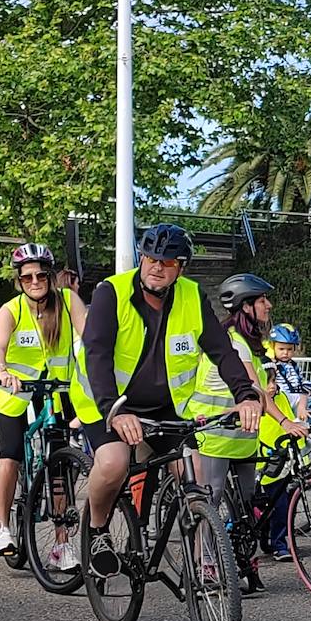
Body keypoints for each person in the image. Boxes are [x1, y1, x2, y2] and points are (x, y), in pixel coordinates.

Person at [70, 223, 262, 578]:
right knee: (113, 464)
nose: (157, 266)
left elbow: (222, 351)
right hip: (108, 401)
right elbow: (97, 354)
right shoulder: (111, 293)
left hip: (165, 408)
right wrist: (116, 411)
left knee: (196, 479)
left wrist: (246, 394)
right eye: (150, 258)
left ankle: (203, 563)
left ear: (181, 267)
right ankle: (97, 532)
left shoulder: (191, 296)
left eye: (168, 261)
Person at [191, 273, 307, 596]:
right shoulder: (232, 340)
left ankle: (244, 561)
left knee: (246, 507)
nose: (268, 305)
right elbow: (255, 388)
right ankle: (206, 564)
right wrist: (286, 422)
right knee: (211, 502)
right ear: (244, 307)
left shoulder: (254, 343)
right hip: (215, 433)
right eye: (261, 300)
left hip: (243, 436)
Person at [0, 244, 87, 560]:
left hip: (57, 391)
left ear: (51, 276)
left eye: (41, 274)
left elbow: (90, 338)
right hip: (14, 393)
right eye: (27, 276)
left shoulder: (68, 302)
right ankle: (2, 527)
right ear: (19, 280)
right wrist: (4, 373)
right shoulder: (11, 310)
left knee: (59, 466)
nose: (35, 281)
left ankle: (61, 544)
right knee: (11, 454)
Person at [268, 323, 311, 421]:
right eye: (281, 349)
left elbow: (301, 381)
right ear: (272, 347)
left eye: (289, 349)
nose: (285, 353)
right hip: (282, 400)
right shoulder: (271, 366)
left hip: (297, 399)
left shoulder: (294, 365)